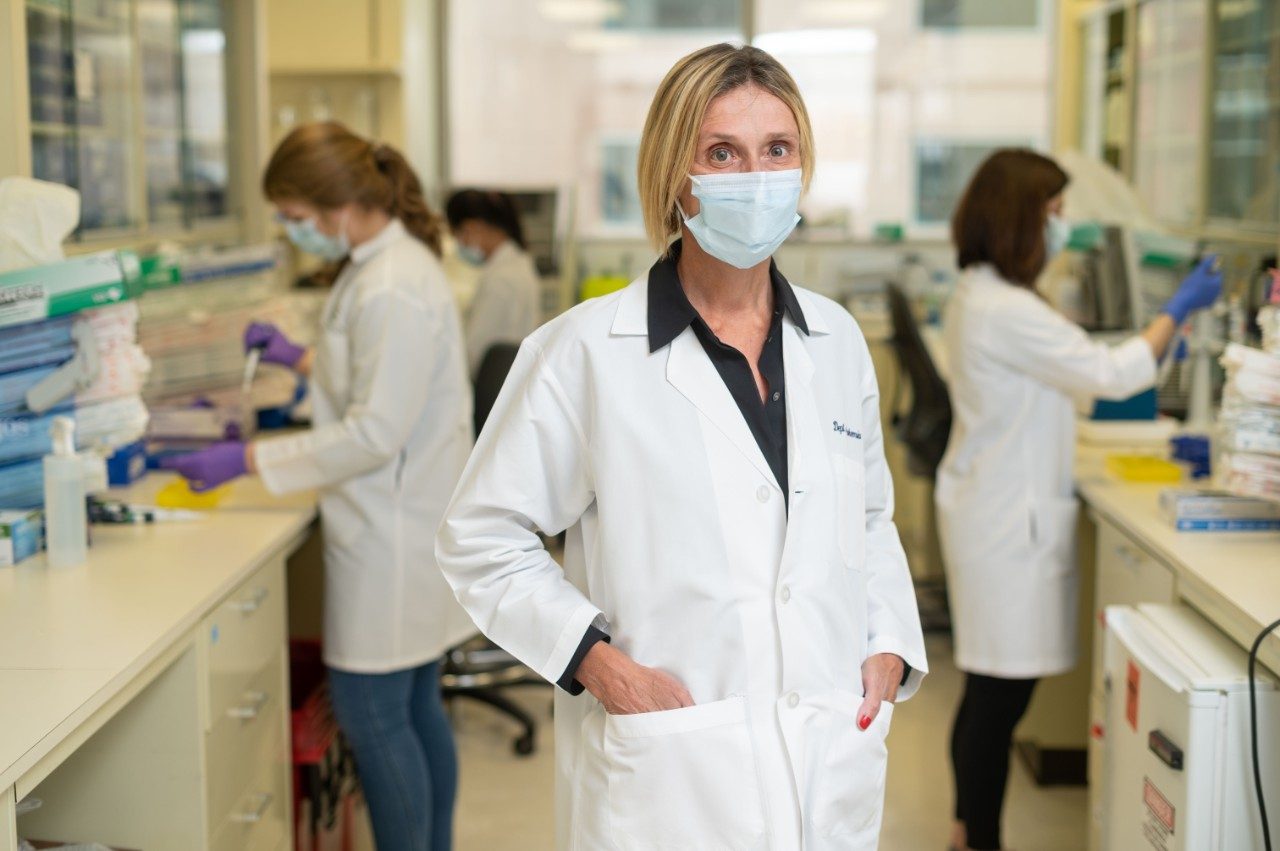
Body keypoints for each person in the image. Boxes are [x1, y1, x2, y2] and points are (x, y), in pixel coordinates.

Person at [436, 44, 927, 850]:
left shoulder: (837, 341)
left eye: (778, 150)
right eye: (722, 153)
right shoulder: (587, 351)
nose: (756, 174)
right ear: (676, 174)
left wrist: (886, 641)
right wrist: (600, 665)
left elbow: (870, 518)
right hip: (670, 772)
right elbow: (480, 538)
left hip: (825, 752)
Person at [165, 122, 473, 851]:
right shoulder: (379, 265)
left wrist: (247, 461)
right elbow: (374, 380)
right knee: (414, 707)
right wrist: (300, 357)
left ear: (338, 206)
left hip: (391, 532)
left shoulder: (391, 285)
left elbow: (374, 432)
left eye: (295, 218)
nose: (291, 232)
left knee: (371, 714)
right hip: (403, 520)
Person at [935, 149, 1222, 851]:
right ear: (1020, 220)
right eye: (1054, 213)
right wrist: (1176, 311)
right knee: (999, 701)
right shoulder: (1004, 307)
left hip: (992, 509)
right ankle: (979, 838)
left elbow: (1073, 373)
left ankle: (965, 831)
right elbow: (1111, 371)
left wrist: (1162, 338)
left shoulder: (984, 294)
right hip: (1005, 524)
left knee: (988, 694)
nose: (1061, 228)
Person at [444, 189, 542, 377]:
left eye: (459, 235)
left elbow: (474, 352)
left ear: (473, 227)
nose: (460, 244)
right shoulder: (517, 264)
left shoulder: (501, 279)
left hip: (493, 387)